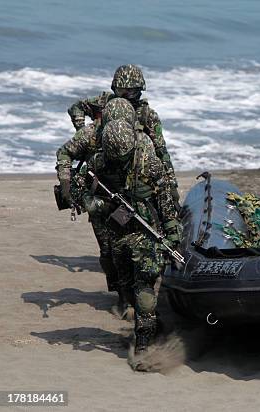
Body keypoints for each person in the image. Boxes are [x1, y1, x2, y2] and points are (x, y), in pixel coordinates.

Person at [86, 119, 181, 365]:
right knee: (126, 287)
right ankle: (153, 325)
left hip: (147, 235)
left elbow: (167, 204)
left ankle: (143, 346)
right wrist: (99, 204)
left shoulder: (150, 165)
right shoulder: (98, 163)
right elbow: (82, 192)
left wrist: (173, 237)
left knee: (145, 290)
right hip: (118, 234)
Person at [55, 98, 139, 313]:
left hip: (130, 199)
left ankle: (135, 294)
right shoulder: (90, 134)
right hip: (100, 200)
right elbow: (64, 153)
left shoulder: (137, 134)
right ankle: (121, 294)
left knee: (130, 245)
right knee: (108, 249)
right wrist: (66, 183)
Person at [67, 64, 179, 203]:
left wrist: (171, 184)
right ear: (114, 89)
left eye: (130, 92)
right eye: (121, 91)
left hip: (133, 167)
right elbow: (76, 108)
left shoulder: (147, 115)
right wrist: (82, 132)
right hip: (103, 164)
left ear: (139, 91)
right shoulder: (105, 103)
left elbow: (161, 151)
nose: (125, 96)